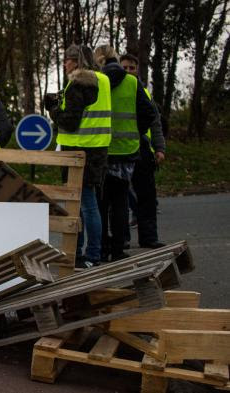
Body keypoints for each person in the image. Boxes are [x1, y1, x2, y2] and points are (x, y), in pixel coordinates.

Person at [45, 44, 111, 269]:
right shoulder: (102, 80)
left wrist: (53, 109)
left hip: (77, 152)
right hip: (98, 149)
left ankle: (88, 254)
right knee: (87, 202)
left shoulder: (78, 83)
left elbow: (70, 122)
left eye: (67, 60)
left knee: (85, 204)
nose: (64, 64)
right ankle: (86, 252)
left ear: (76, 61)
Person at [95, 46, 160, 261]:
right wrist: (135, 132)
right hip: (128, 150)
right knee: (121, 200)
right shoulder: (133, 83)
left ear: (100, 61)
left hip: (103, 149)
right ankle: (118, 248)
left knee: (101, 203)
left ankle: (102, 248)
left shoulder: (98, 81)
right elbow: (150, 113)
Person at [120, 53, 166, 249]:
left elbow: (155, 122)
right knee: (119, 197)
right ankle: (121, 239)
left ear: (137, 70)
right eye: (125, 68)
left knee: (147, 195)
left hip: (142, 147)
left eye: (132, 67)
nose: (129, 71)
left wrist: (160, 148)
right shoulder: (114, 89)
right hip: (120, 149)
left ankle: (149, 237)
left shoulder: (144, 92)